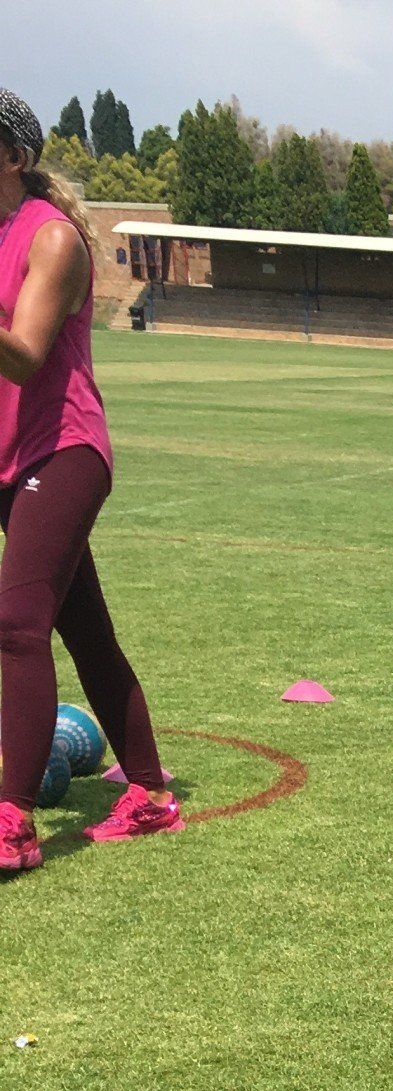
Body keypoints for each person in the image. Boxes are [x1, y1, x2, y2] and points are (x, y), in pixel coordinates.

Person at [0, 89, 177, 873]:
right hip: (10, 459)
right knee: (88, 635)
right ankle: (149, 796)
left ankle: (12, 822)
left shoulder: (53, 240)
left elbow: (26, 356)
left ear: (14, 158)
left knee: (16, 626)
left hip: (64, 454)